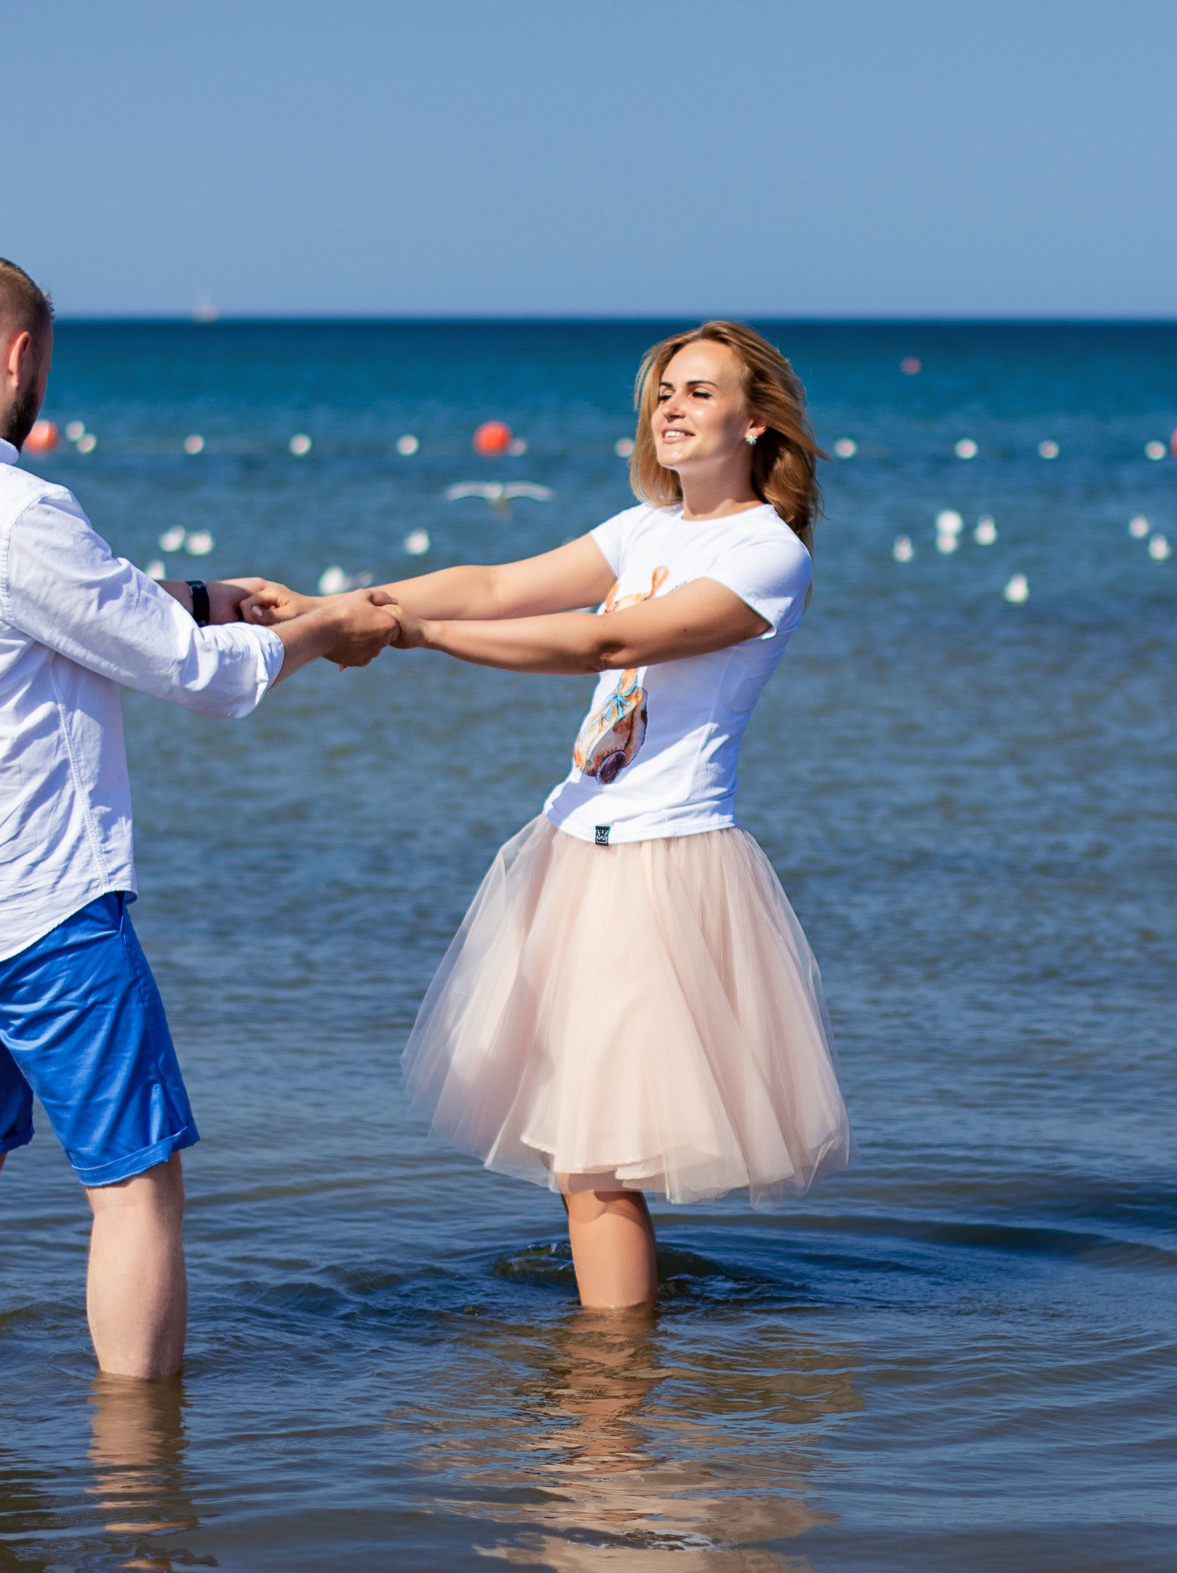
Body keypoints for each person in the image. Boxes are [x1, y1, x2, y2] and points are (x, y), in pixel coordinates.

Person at [0, 254, 397, 1377]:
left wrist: (201, 596)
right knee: (134, 1186)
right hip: (39, 908)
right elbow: (200, 676)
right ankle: (139, 1470)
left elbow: (62, 611)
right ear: (22, 356)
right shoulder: (13, 505)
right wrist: (324, 626)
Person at [248, 320, 850, 1309]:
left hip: (664, 870)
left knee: (596, 1160)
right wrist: (331, 607)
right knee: (583, 1160)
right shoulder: (643, 528)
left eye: (699, 391)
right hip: (573, 852)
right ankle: (612, 1397)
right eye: (663, 392)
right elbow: (493, 583)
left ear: (757, 420)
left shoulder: (765, 555)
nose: (672, 408)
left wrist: (415, 635)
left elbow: (604, 643)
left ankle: (612, 1408)